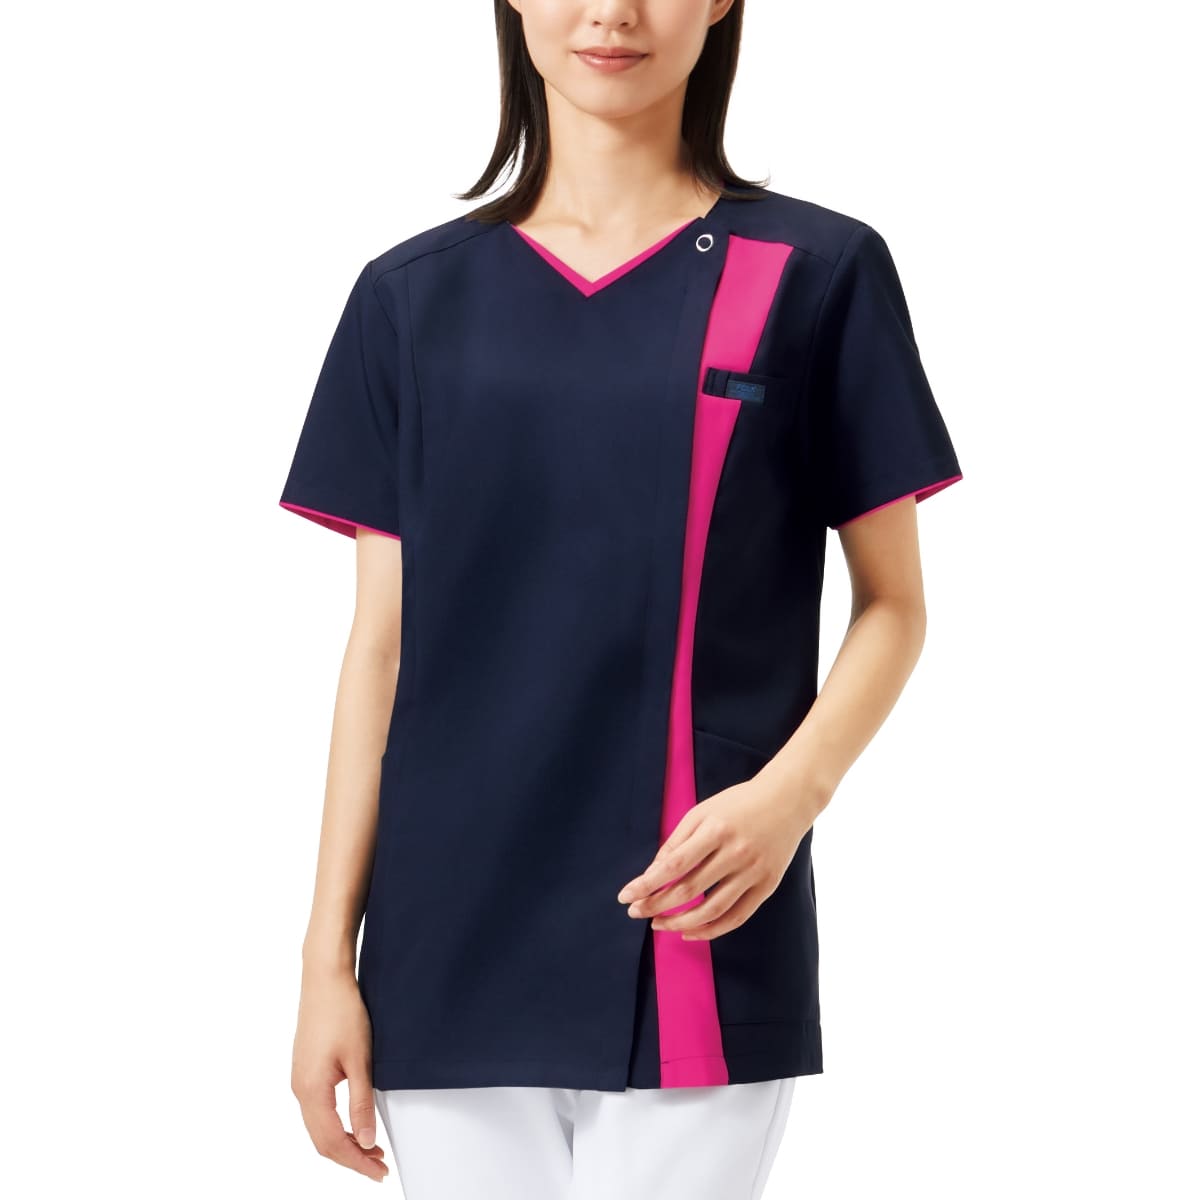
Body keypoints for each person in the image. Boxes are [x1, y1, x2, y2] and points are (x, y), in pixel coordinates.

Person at [280, 2, 963, 1197]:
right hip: (446, 944)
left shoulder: (814, 272)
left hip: (697, 915)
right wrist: (325, 960)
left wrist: (789, 798)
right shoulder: (408, 299)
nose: (611, 12)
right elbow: (381, 651)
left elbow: (893, 604)